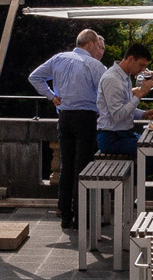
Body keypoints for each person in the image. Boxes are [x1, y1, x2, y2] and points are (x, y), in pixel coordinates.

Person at [28, 29, 108, 231]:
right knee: (83, 166)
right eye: (97, 45)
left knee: (66, 166)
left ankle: (64, 212)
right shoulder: (94, 65)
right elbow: (107, 93)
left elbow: (34, 77)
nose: (99, 49)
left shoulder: (58, 59)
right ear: (89, 45)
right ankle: (82, 214)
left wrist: (52, 96)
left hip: (64, 116)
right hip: (86, 117)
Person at [95, 42, 153, 160]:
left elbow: (125, 108)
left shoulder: (124, 77)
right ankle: (133, 178)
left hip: (123, 134)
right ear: (130, 59)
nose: (142, 70)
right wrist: (140, 94)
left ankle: (134, 177)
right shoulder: (112, 79)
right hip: (112, 138)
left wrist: (144, 114)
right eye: (141, 65)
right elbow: (118, 115)